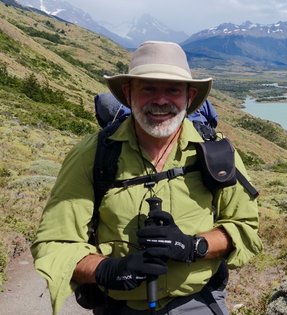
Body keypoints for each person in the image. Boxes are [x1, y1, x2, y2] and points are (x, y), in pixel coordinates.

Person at [31, 41, 262, 314]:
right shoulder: (92, 155)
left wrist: (193, 246)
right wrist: (109, 270)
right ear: (129, 94)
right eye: (148, 88)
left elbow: (245, 228)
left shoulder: (216, 152)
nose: (161, 100)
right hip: (118, 306)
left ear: (189, 96)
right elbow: (55, 242)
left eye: (173, 90)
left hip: (196, 302)